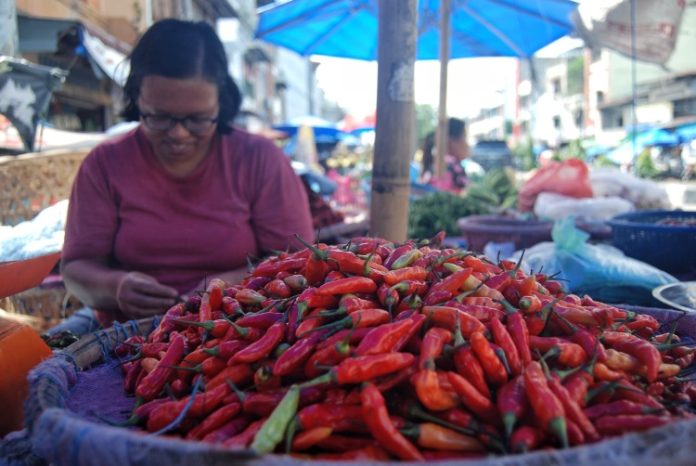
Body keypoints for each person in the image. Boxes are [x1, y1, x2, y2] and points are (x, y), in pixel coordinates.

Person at [55, 19, 313, 335]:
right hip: (126, 333)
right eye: (160, 117)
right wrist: (117, 287)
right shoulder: (104, 165)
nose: (179, 134)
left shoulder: (261, 160)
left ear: (222, 101)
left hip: (240, 331)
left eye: (197, 119)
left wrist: (230, 285)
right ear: (137, 99)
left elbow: (298, 264)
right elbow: (76, 270)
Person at [420, 117, 470, 193]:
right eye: (465, 138)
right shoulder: (453, 166)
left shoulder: (436, 162)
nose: (467, 145)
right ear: (452, 141)